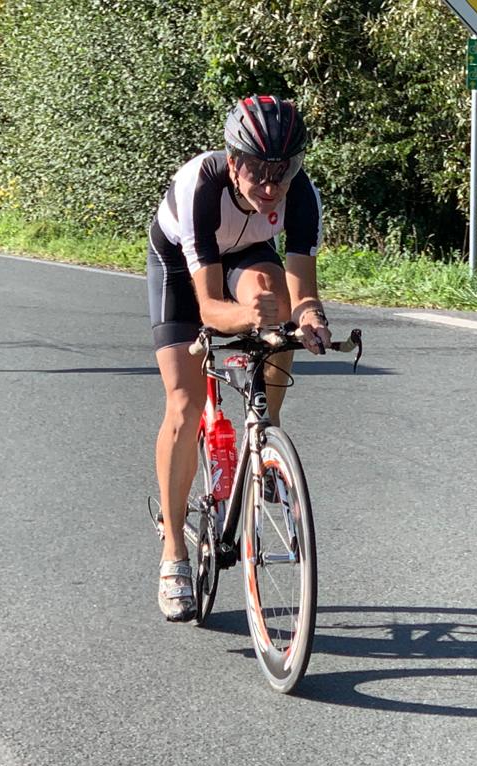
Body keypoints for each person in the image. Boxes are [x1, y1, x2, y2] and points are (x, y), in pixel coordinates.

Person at [146, 95, 331, 621]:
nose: (272, 188)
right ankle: (173, 553)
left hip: (249, 254)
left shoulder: (301, 197)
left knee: (272, 294)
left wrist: (309, 317)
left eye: (284, 173)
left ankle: (264, 433)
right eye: (259, 174)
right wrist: (256, 319)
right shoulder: (201, 187)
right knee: (182, 401)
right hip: (183, 268)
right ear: (234, 162)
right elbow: (208, 306)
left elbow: (304, 291)